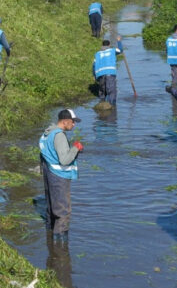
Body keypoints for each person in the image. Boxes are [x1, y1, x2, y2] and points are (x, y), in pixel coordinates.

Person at [39, 108, 82, 237]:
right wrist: (76, 148)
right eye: (73, 121)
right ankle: (60, 244)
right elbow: (64, 160)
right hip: (59, 177)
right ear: (65, 121)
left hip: (48, 173)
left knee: (51, 209)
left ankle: (50, 240)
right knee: (63, 211)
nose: (74, 124)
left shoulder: (48, 133)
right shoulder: (59, 136)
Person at [92, 36, 123, 104]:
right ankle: (112, 105)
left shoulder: (97, 54)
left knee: (102, 90)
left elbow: (94, 65)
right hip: (110, 73)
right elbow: (120, 50)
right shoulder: (112, 50)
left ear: (102, 46)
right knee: (111, 90)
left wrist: (94, 75)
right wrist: (119, 41)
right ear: (109, 45)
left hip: (100, 74)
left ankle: (102, 103)